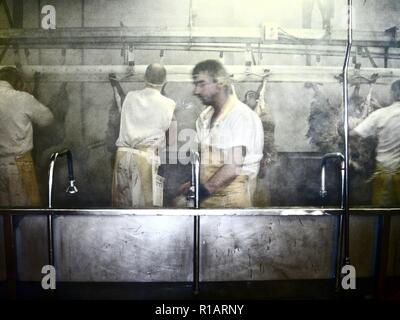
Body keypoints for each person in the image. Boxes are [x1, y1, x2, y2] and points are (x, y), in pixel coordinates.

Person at [178, 59, 264, 208]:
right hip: (210, 201)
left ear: (220, 83)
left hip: (232, 203)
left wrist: (197, 195)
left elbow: (233, 167)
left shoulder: (240, 116)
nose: (195, 91)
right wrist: (193, 183)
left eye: (201, 84)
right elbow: (207, 160)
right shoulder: (204, 118)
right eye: (195, 84)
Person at [112, 63, 176, 208]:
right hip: (144, 158)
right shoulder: (169, 104)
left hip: (122, 156)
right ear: (165, 81)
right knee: (145, 212)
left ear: (144, 78)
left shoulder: (130, 96)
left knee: (120, 209)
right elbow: (171, 140)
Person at [0, 66, 54, 207]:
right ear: (17, 82)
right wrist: (29, 97)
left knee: (3, 215)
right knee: (26, 212)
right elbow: (47, 119)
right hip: (20, 163)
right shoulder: (21, 98)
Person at [351, 80, 400, 207]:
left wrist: (355, 158)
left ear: (393, 93)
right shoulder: (381, 113)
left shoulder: (380, 115)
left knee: (382, 216)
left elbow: (353, 135)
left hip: (384, 175)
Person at [243, 77, 277, 206]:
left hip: (263, 153)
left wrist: (265, 82)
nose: (249, 98)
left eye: (252, 97)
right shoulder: (245, 115)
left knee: (260, 189)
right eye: (248, 97)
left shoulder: (263, 112)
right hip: (251, 157)